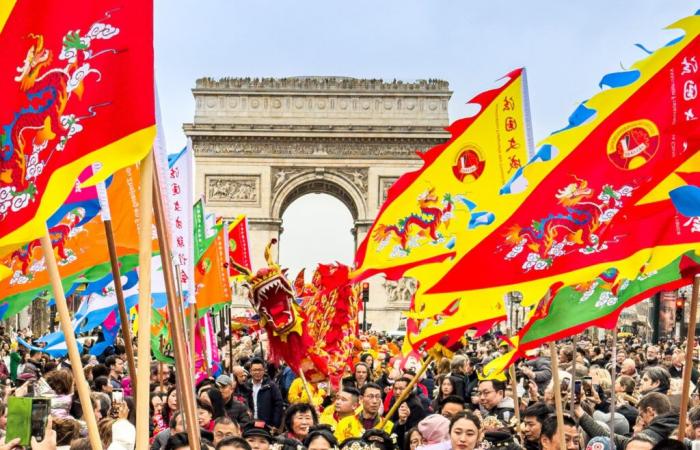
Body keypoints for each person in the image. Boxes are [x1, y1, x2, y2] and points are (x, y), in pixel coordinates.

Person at [246, 358, 283, 430]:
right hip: (249, 424)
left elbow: (278, 404)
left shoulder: (271, 386)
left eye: (259, 370)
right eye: (255, 370)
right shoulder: (246, 386)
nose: (257, 372)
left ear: (264, 371)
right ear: (250, 371)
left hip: (266, 425)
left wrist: (275, 424)